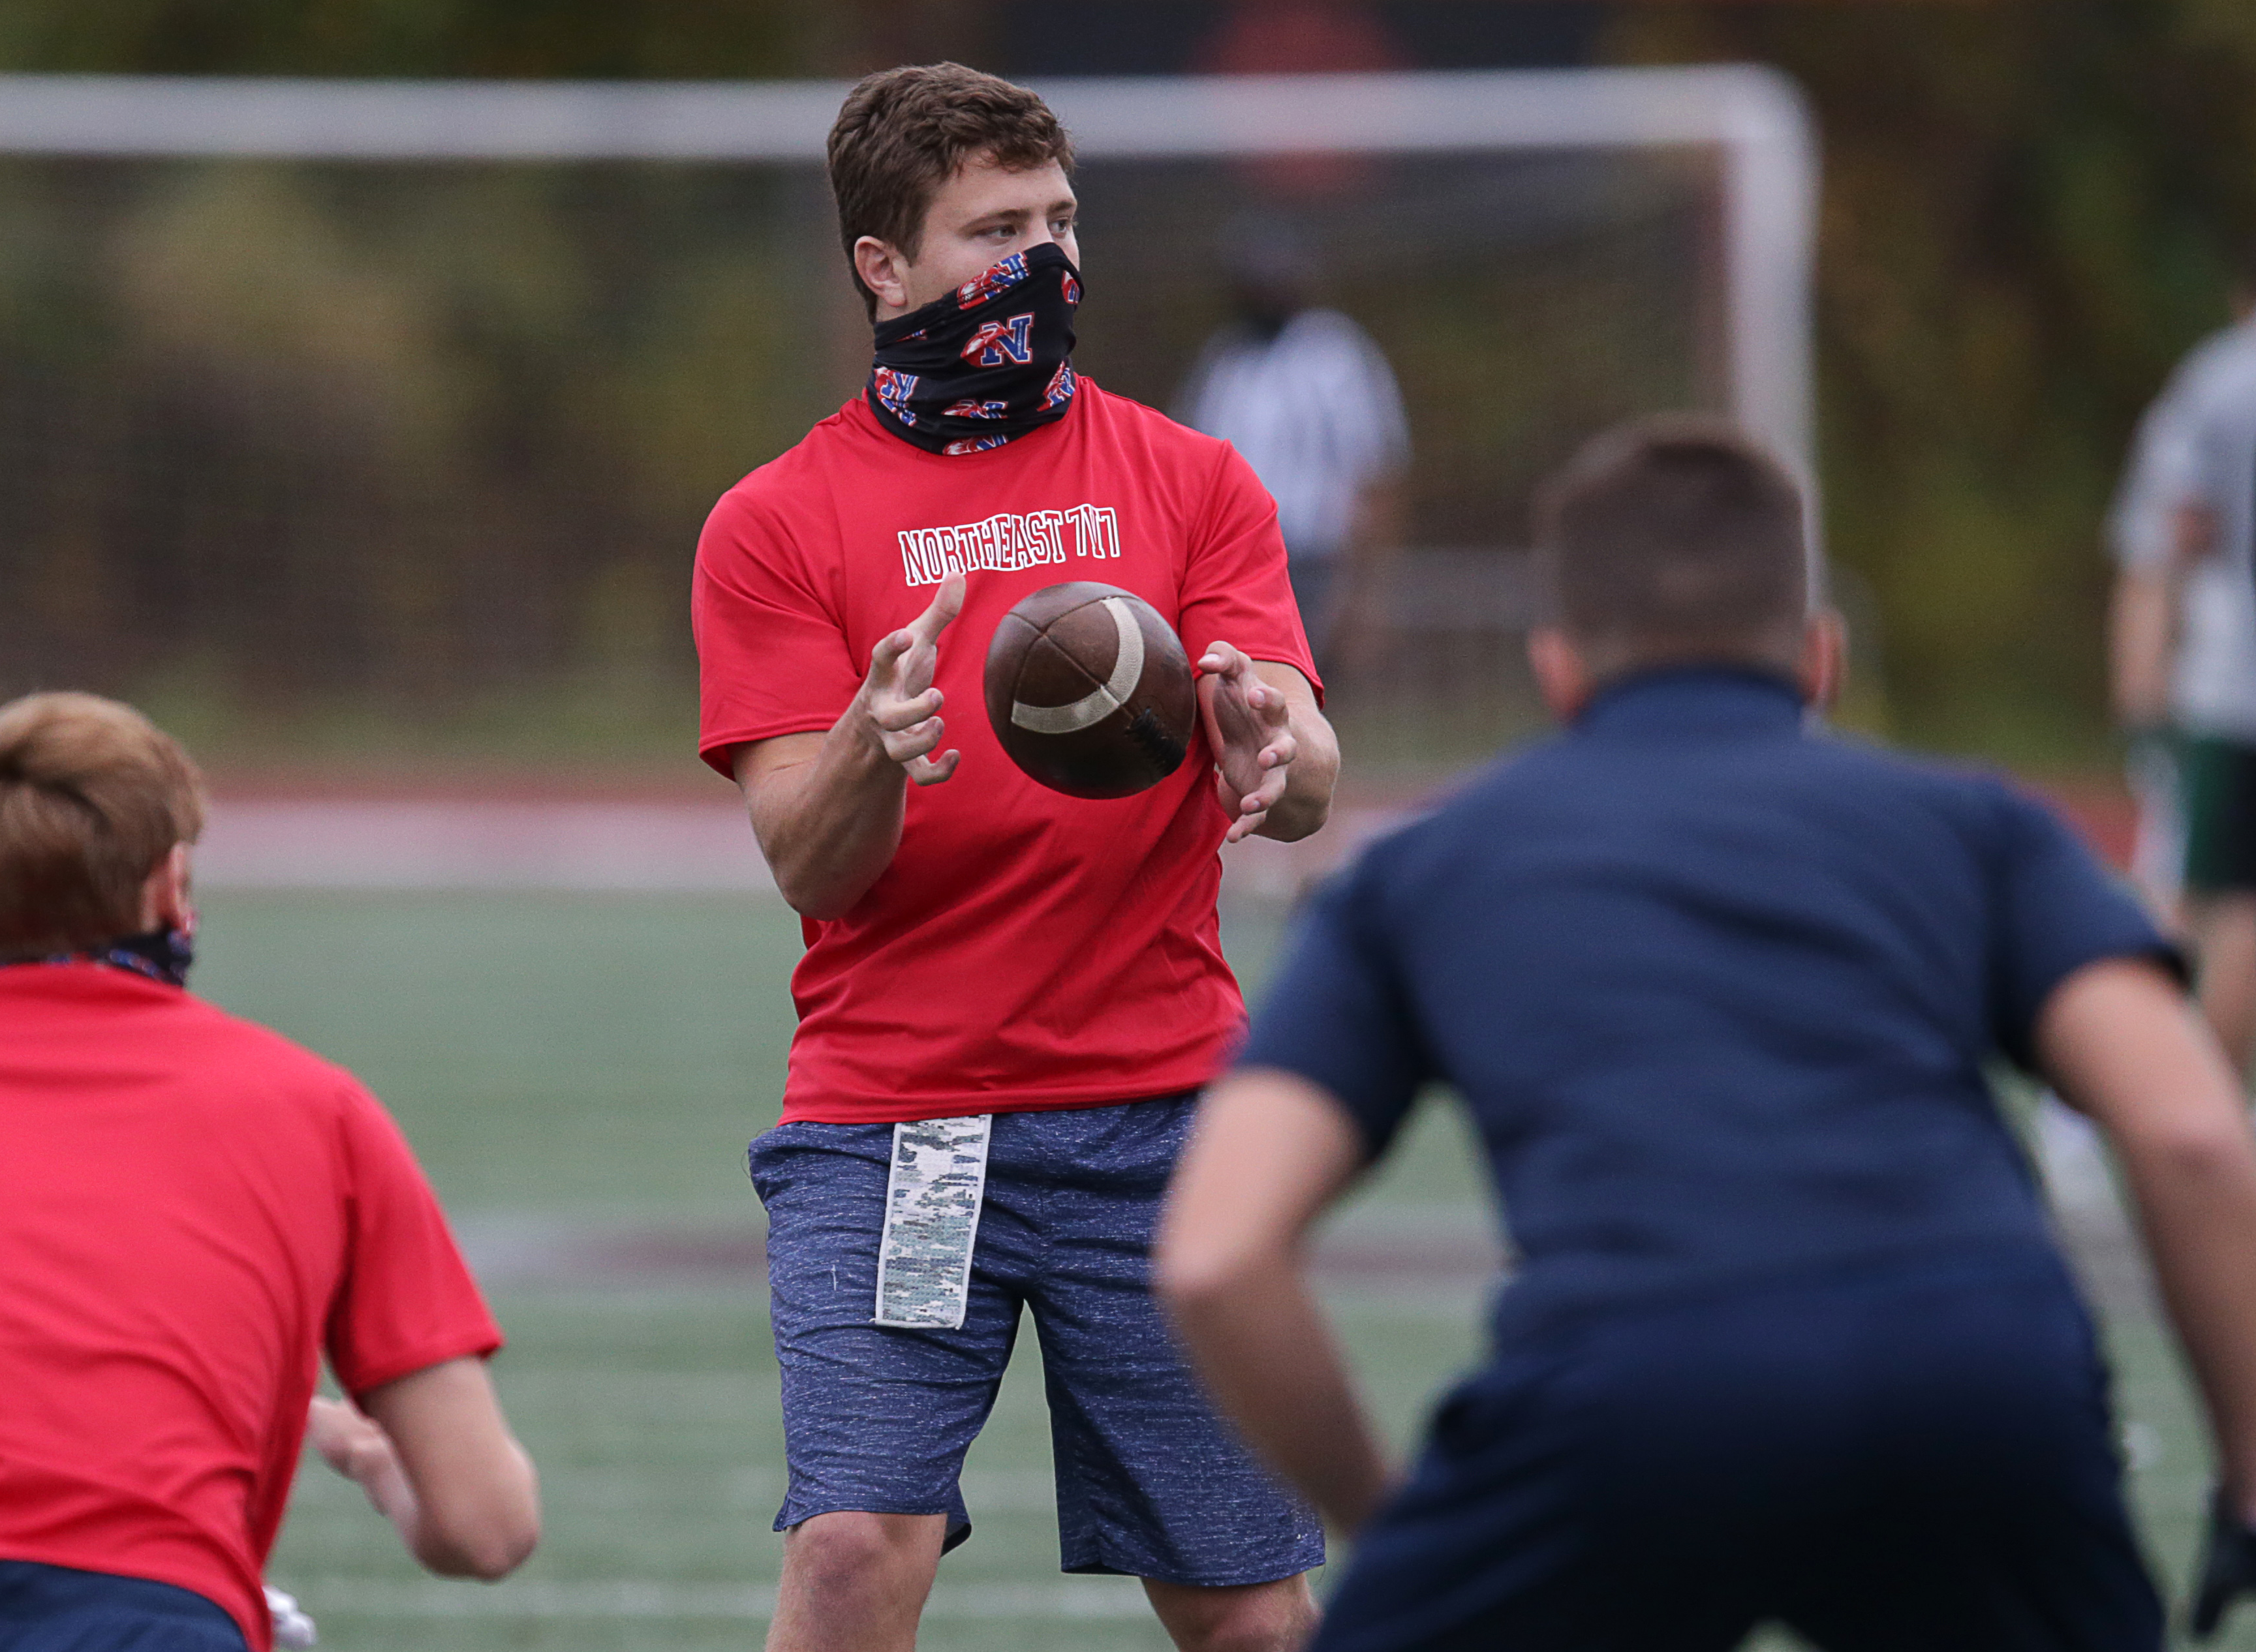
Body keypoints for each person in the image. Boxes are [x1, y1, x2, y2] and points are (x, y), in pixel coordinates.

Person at [1158, 418, 2256, 1649]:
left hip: (1628, 1394)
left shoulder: (1423, 872)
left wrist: (1397, 1516)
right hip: (1973, 1376)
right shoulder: (1977, 827)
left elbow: (1216, 1253)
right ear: (1821, 657)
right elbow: (2192, 1129)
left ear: (1556, 668)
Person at [690, 62, 1342, 1652]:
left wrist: (1274, 740)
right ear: (883, 266)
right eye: (994, 230)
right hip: (903, 1125)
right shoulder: (773, 522)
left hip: (1163, 1117)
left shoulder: (1191, 477)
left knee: (1248, 1608)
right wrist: (871, 739)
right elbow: (809, 862)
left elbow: (1311, 772)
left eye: (1058, 222)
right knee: (851, 1545)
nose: (1040, 261)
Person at [0, 692, 538, 1652]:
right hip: (139, 1621)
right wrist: (377, 1463)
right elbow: (487, 1526)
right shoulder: (313, 1106)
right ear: (171, 881)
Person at [2109, 257, 2256, 1077]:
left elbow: (2161, 547)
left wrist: (2139, 685)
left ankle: (2154, 1089)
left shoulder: (2219, 383)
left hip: (2228, 689)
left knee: (2189, 900)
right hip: (2231, 686)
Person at [1179, 221, 1410, 674]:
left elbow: (1377, 472)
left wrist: (1365, 590)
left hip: (1312, 561)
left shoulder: (1334, 354)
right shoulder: (1225, 363)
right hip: (1233, 559)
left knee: (1307, 696)